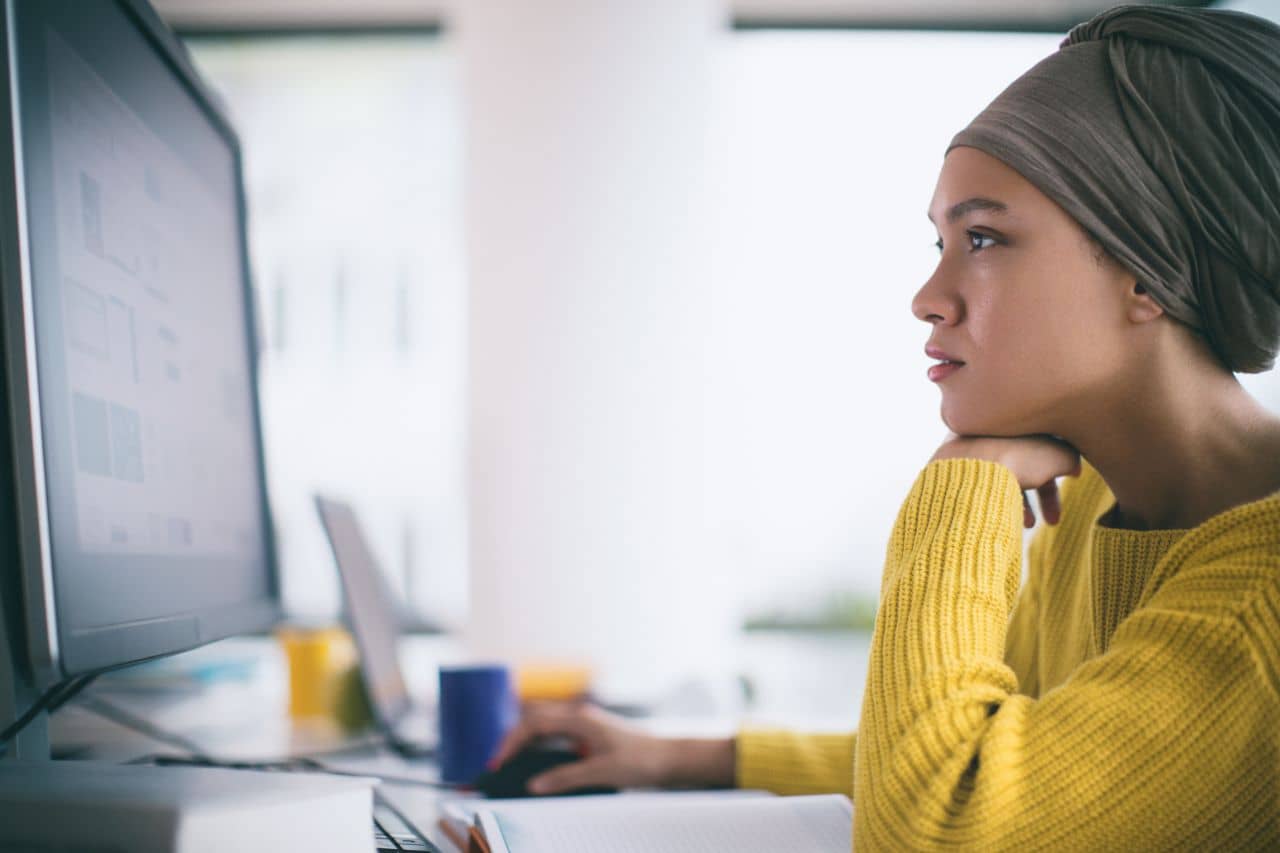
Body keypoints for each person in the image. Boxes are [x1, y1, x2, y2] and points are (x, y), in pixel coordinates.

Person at [491, 5, 1280, 846]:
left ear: (1148, 269)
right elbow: (956, 744)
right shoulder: (1095, 504)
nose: (928, 297)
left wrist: (961, 483)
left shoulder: (1257, 600)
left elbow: (936, 821)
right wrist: (672, 757)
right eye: (942, 242)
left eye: (983, 237)